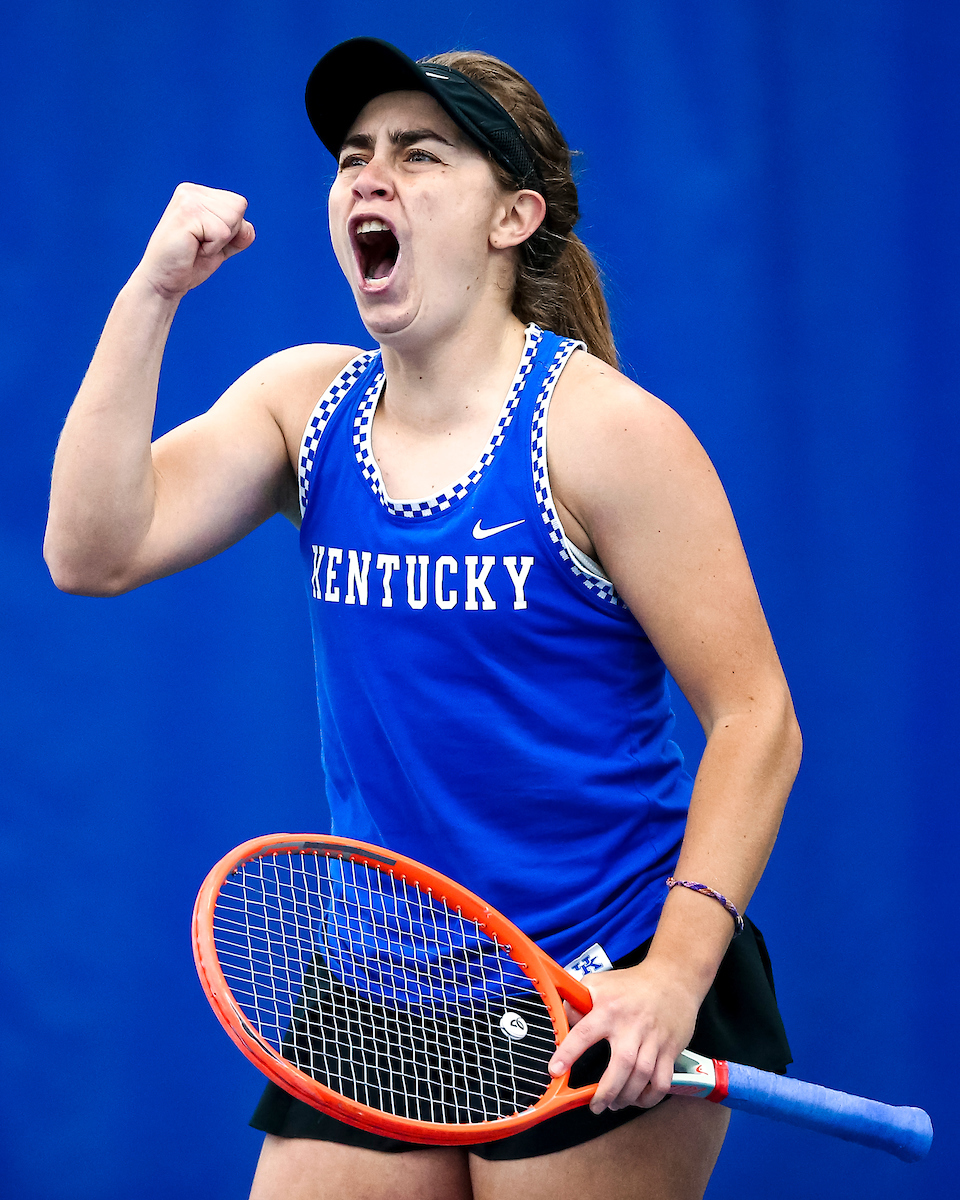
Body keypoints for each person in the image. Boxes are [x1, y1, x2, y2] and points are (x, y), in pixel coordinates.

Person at [44, 36, 801, 1200]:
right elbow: (89, 551)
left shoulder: (606, 434)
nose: (370, 176)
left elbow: (758, 717)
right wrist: (151, 294)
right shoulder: (303, 405)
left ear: (512, 217)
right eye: (354, 154)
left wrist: (676, 978)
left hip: (595, 974)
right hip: (377, 987)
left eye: (420, 152)